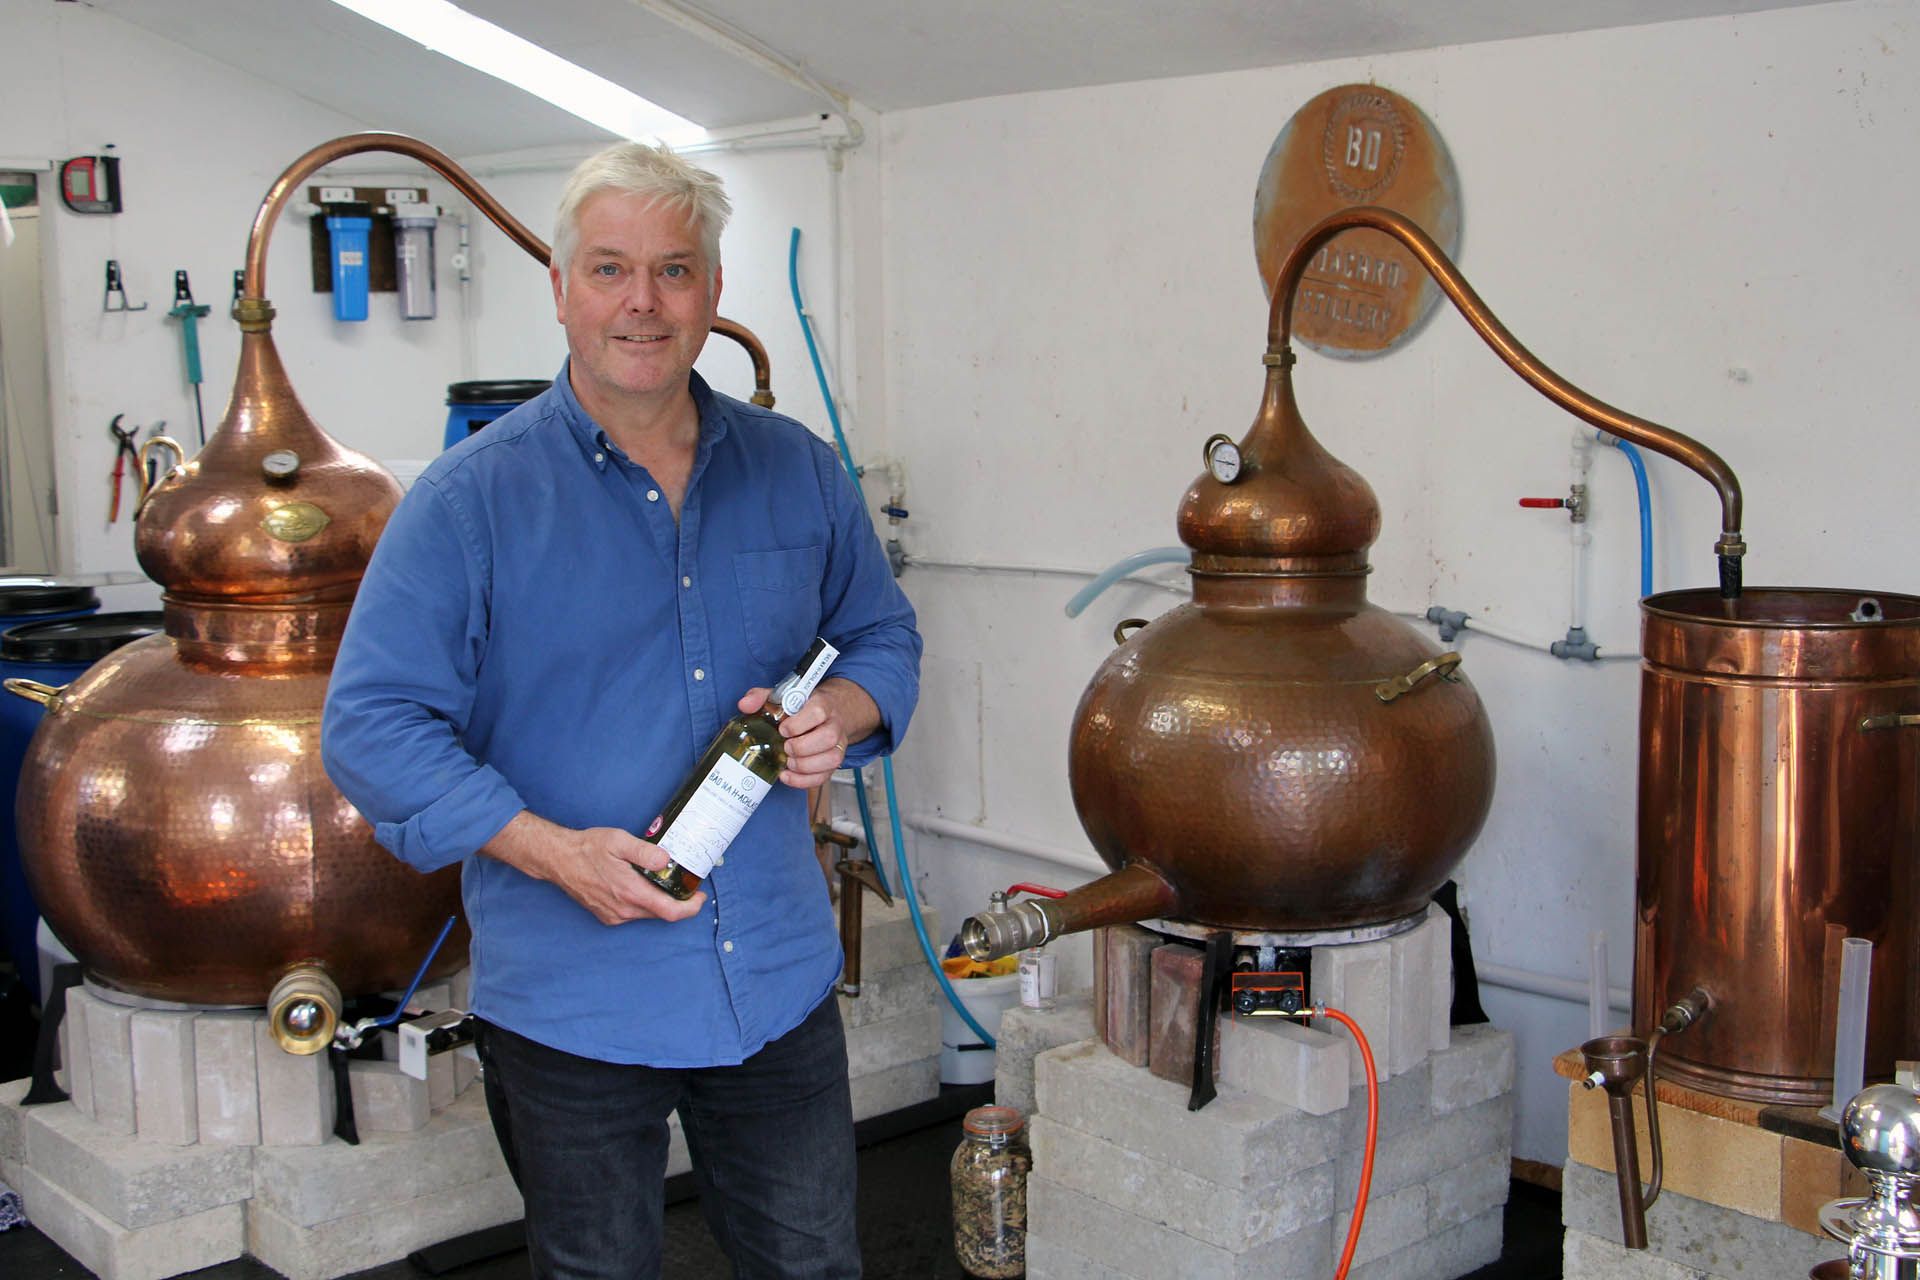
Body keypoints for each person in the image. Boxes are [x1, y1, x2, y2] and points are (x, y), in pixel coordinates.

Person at [321, 141, 921, 1280]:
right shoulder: (467, 503)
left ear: (712, 291)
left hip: (776, 979)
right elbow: (373, 724)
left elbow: (884, 634)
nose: (642, 301)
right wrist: (548, 852)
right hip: (572, 1000)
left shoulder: (799, 471)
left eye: (674, 269)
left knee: (812, 1265)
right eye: (609, 269)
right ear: (559, 286)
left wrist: (842, 711)